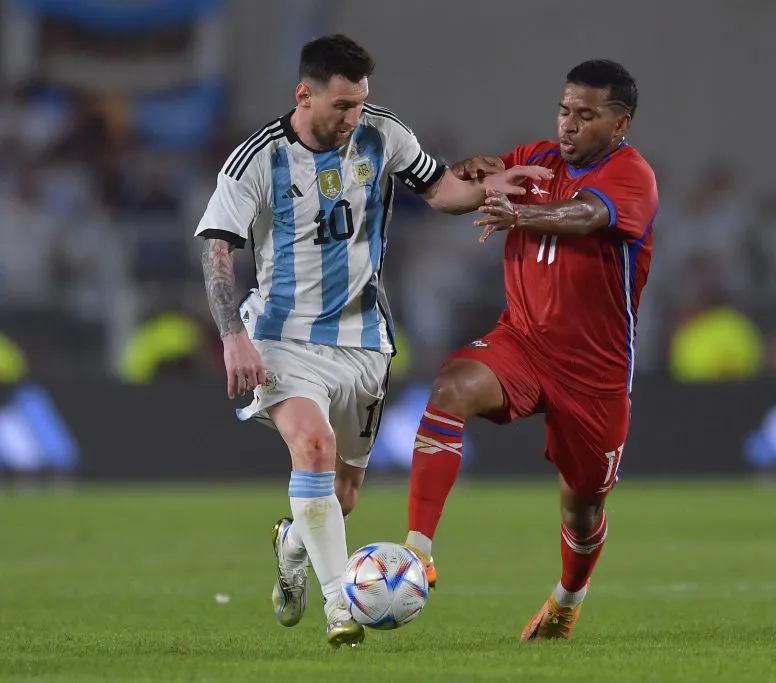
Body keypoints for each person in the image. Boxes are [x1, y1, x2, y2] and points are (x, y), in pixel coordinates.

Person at [194, 34, 550, 649]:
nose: (353, 116)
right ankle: (341, 607)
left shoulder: (382, 133)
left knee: (344, 495)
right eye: (342, 106)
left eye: (360, 103)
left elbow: (440, 190)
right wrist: (232, 336)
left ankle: (293, 542)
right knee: (313, 446)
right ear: (304, 95)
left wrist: (492, 189)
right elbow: (217, 249)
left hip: (364, 341)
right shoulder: (256, 158)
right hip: (282, 338)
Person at [401, 59, 658, 640]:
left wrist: (521, 214)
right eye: (565, 110)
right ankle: (416, 552)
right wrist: (464, 172)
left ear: (620, 124)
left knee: (582, 509)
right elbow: (464, 192)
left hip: (594, 372)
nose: (569, 124)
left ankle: (567, 598)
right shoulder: (535, 159)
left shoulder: (633, 175)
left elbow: (589, 214)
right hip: (522, 341)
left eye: (586, 115)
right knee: (450, 388)